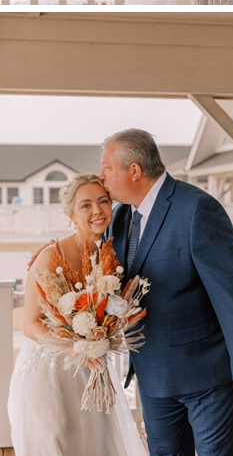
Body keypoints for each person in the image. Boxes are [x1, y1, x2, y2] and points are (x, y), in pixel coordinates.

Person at [99, 128, 233, 456]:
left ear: (134, 170)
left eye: (107, 166)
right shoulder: (118, 217)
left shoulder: (197, 209)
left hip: (209, 376)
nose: (101, 175)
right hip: (153, 374)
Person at [8, 174, 146, 456]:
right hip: (49, 373)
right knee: (55, 439)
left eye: (103, 201)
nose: (97, 210)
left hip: (90, 370)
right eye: (85, 205)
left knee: (94, 444)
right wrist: (78, 349)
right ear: (70, 214)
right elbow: (30, 325)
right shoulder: (49, 256)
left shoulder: (111, 255)